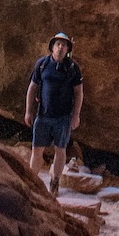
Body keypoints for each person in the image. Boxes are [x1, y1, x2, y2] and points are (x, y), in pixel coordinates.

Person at [25, 31, 83, 197]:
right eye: (57, 44)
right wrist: (28, 111)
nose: (60, 47)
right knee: (37, 150)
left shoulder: (72, 68)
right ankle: (31, 181)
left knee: (60, 149)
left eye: (64, 45)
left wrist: (76, 115)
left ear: (67, 49)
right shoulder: (42, 64)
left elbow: (79, 92)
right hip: (43, 115)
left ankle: (55, 182)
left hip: (63, 117)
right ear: (52, 47)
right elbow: (32, 88)